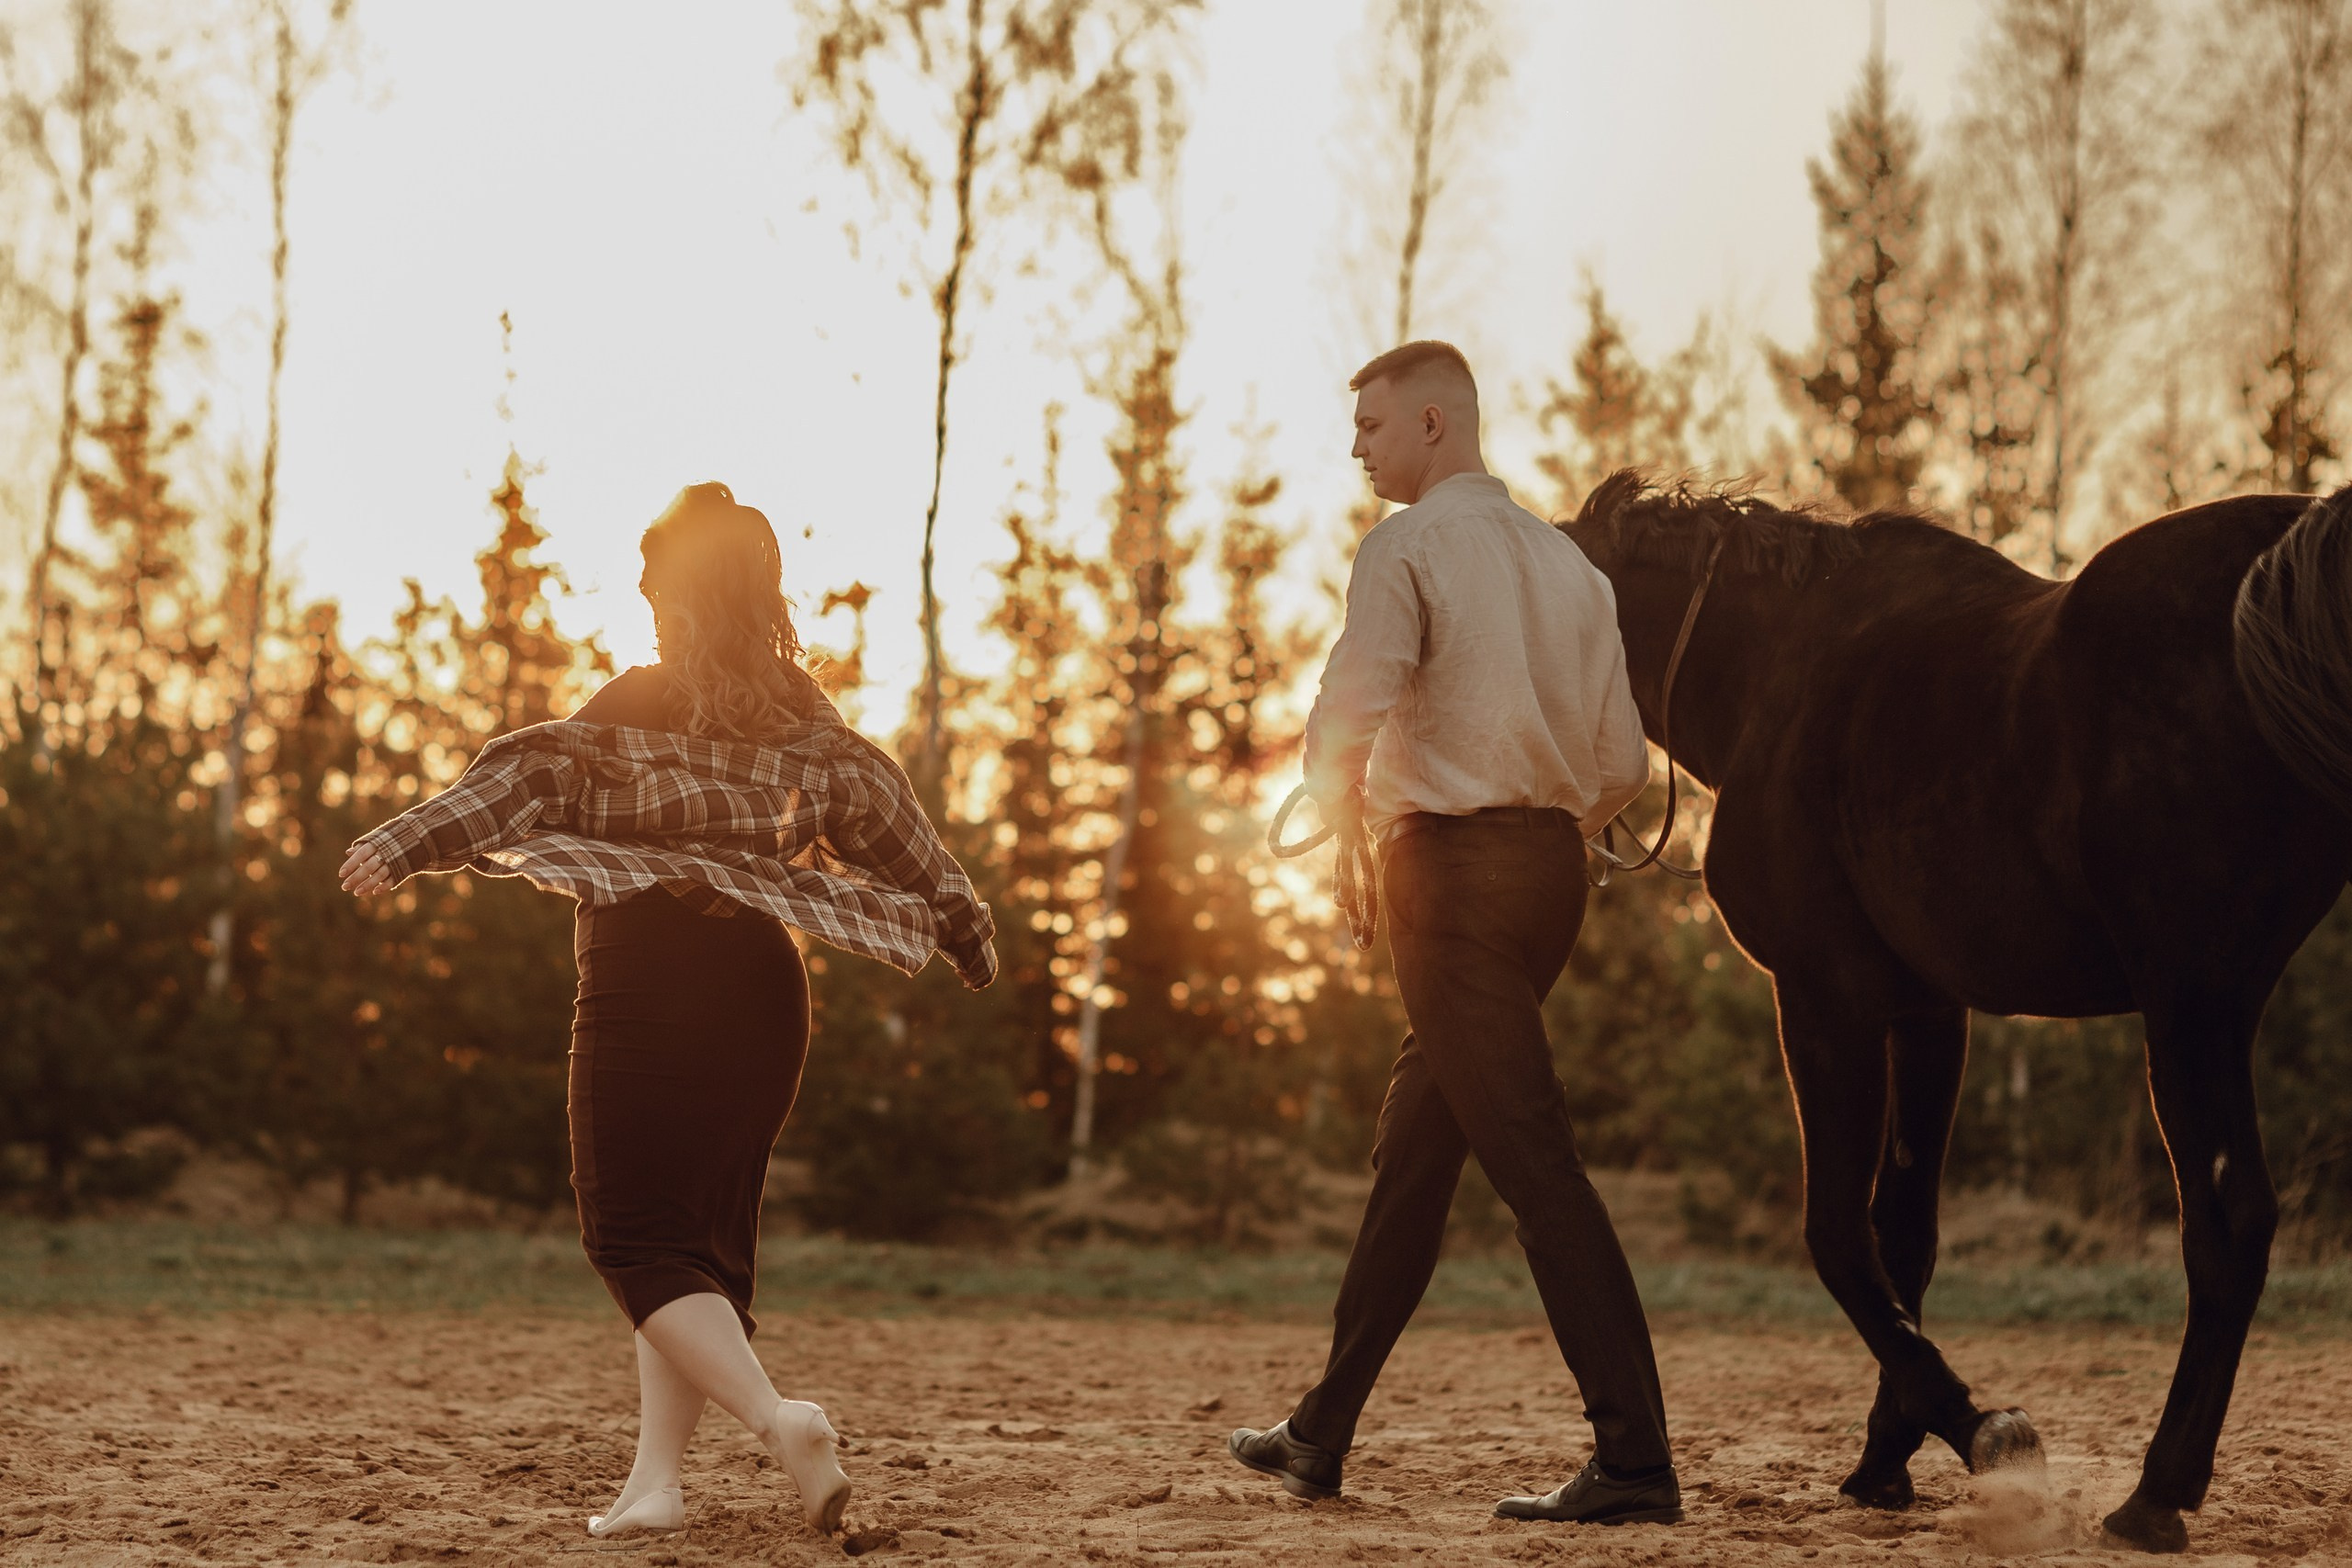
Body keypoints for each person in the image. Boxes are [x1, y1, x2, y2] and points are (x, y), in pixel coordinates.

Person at [337, 482, 997, 1541]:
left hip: (648, 984)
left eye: (653, 584)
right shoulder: (808, 726)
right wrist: (966, 932)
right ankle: (656, 1484)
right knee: (697, 1248)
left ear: (682, 592)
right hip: (765, 999)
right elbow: (899, 829)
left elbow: (527, 778)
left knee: (634, 1237)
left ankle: (780, 1421)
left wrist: (405, 842)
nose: (645, 602)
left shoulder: (634, 704)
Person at [1227, 343, 1679, 1526]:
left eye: (1371, 427)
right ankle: (1320, 1431)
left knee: (1533, 1161)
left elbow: (1351, 705)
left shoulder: (1407, 547)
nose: (1356, 449)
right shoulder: (1570, 567)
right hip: (1550, 875)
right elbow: (1622, 764)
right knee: (1416, 1156)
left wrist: (1346, 820)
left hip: (1449, 878)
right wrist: (1546, 825)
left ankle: (1635, 1462)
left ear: (1433, 423)